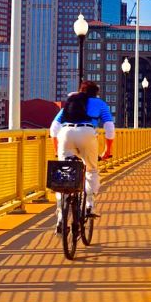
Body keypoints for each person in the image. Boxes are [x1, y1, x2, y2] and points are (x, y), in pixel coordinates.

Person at [49, 80, 114, 233]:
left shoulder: (70, 102)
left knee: (63, 175)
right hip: (87, 133)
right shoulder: (100, 104)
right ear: (96, 93)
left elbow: (53, 129)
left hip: (65, 134)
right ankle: (89, 205)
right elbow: (109, 128)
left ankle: (60, 216)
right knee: (91, 170)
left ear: (80, 91)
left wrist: (57, 151)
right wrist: (107, 150)